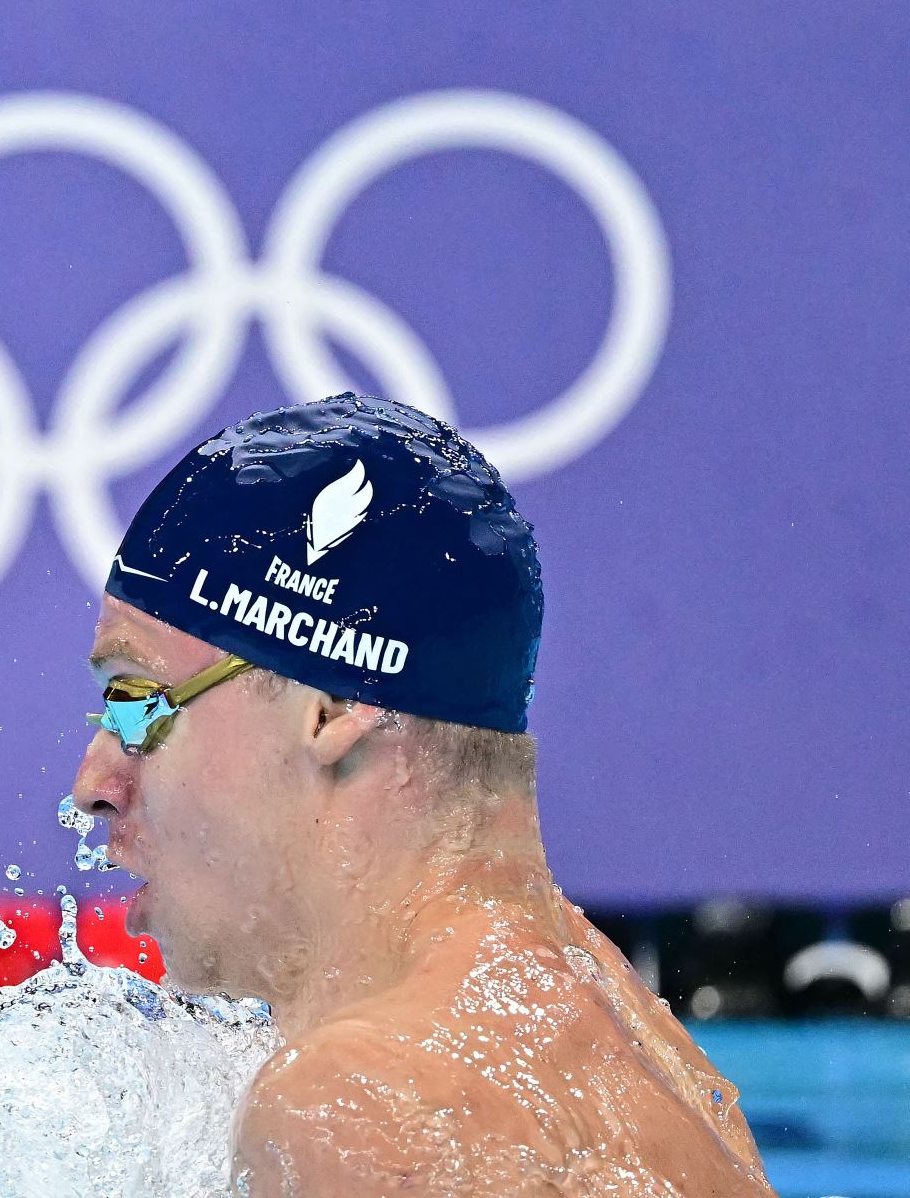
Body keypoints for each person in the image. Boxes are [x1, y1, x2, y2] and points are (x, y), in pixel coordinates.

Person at [69, 394, 776, 1196]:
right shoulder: (632, 1043)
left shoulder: (359, 1100)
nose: (96, 785)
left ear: (330, 710)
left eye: (138, 701)